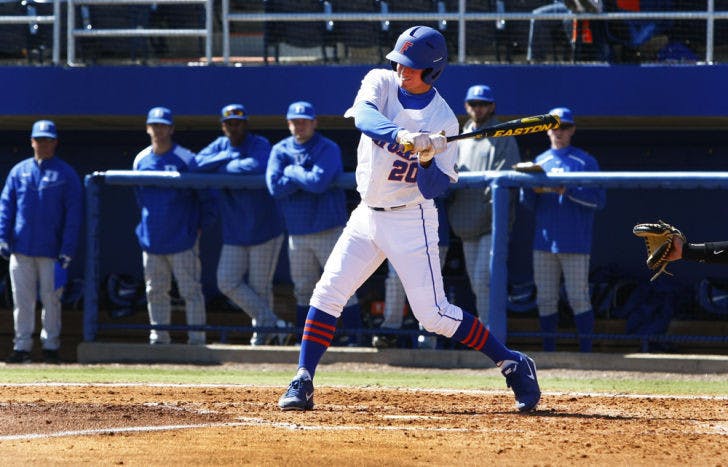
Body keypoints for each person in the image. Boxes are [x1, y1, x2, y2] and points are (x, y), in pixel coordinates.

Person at [278, 25, 541, 413]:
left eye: (411, 66)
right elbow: (365, 118)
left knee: (433, 315)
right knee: (328, 292)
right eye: (399, 62)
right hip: (367, 214)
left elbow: (435, 189)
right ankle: (303, 377)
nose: (402, 71)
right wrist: (401, 135)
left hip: (410, 218)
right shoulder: (379, 82)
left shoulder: (445, 121)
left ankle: (512, 362)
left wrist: (428, 158)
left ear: (432, 71)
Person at [266, 101, 363, 346]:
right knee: (303, 289)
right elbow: (275, 187)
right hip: (297, 233)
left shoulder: (327, 147)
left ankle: (356, 338)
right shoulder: (280, 150)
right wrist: (303, 174)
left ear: (314, 123)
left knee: (343, 286)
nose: (300, 126)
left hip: (329, 229)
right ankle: (306, 341)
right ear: (289, 124)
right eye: (295, 122)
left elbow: (318, 182)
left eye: (305, 121)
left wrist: (292, 171)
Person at [192, 103, 286, 346]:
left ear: (245, 124)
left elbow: (257, 166)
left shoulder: (260, 144)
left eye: (238, 122)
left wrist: (221, 168)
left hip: (264, 229)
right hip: (235, 232)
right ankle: (273, 324)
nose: (234, 127)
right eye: (229, 123)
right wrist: (228, 157)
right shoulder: (221, 146)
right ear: (223, 126)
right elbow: (195, 164)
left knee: (259, 287)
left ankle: (263, 335)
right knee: (226, 281)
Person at [520, 107, 606, 353]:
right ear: (547, 129)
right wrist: (528, 188)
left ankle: (586, 354)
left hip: (575, 242)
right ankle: (549, 353)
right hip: (544, 243)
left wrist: (565, 190)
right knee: (545, 299)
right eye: (555, 127)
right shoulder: (540, 160)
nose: (559, 132)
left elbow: (599, 201)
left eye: (564, 127)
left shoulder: (585, 160)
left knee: (578, 297)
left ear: (573, 130)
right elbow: (529, 205)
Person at [0, 120, 83, 364]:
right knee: (22, 300)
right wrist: (3, 236)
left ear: (55, 142)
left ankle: (51, 347)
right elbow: (6, 206)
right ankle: (22, 346)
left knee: (51, 299)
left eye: (48, 140)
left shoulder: (66, 173)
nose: (43, 144)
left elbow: (74, 215)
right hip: (21, 248)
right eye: (39, 140)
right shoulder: (19, 171)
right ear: (32, 142)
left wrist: (67, 249)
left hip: (52, 251)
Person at [133, 106, 216, 346]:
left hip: (183, 239)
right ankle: (159, 338)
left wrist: (198, 226)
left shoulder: (185, 158)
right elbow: (140, 198)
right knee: (155, 291)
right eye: (154, 126)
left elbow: (207, 198)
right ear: (148, 128)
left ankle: (197, 340)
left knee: (190, 291)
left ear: (171, 128)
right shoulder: (141, 159)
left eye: (163, 125)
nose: (159, 130)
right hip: (151, 239)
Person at [447, 84, 521, 326]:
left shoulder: (503, 135)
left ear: (492, 106)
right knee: (477, 282)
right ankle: (488, 332)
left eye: (483, 104)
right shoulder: (461, 137)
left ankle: (493, 331)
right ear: (467, 106)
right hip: (466, 223)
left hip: (491, 223)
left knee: (484, 279)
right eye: (473, 104)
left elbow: (505, 179)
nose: (478, 108)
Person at [371, 197, 449, 349]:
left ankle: (428, 341)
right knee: (395, 278)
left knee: (427, 289)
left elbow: (445, 192)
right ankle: (390, 331)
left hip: (433, 235)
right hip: (400, 234)